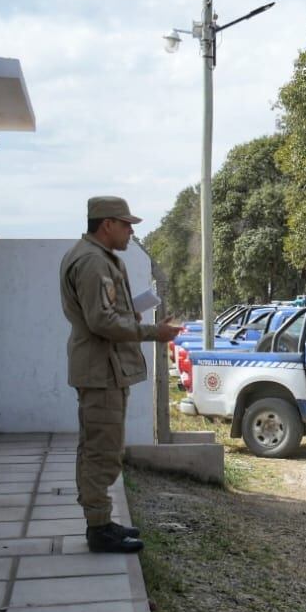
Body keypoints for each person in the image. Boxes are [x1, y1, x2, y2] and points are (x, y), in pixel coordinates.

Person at [59, 197, 181, 553]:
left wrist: (132, 317)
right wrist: (151, 333)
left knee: (102, 447)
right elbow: (101, 321)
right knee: (101, 451)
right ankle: (98, 529)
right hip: (101, 370)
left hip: (104, 368)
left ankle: (102, 521)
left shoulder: (96, 257)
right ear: (106, 224)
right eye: (126, 224)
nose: (131, 231)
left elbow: (107, 314)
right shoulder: (92, 262)